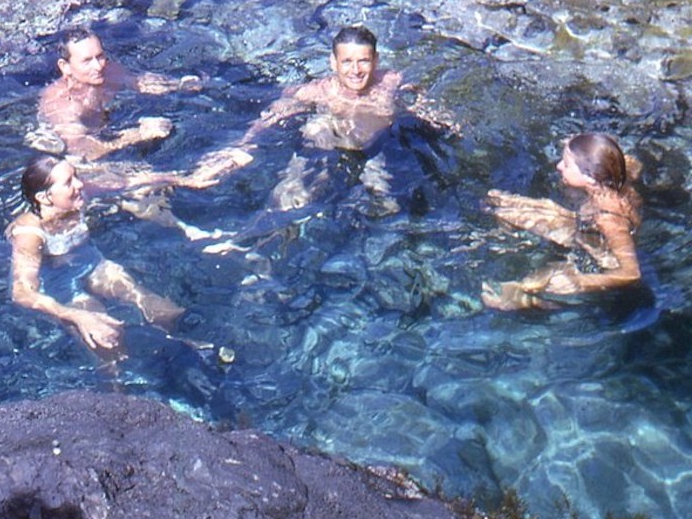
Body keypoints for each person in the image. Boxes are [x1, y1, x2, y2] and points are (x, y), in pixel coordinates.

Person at [196, 25, 453, 214]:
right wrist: (244, 143)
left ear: (376, 60)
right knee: (316, 129)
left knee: (388, 207)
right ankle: (284, 204)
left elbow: (418, 100)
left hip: (377, 147)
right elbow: (273, 115)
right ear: (333, 62)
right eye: (347, 61)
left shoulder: (391, 81)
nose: (355, 70)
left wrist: (440, 119)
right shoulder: (318, 91)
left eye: (363, 61)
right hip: (329, 148)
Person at [36, 28, 242, 239]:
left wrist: (180, 85)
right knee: (137, 181)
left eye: (100, 56)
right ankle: (185, 218)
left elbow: (139, 82)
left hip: (108, 134)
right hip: (75, 163)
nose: (98, 66)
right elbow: (83, 149)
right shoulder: (61, 104)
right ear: (65, 67)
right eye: (87, 61)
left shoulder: (107, 72)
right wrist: (137, 134)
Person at [7, 154, 183, 356]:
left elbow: (126, 183)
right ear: (44, 197)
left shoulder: (78, 198)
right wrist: (75, 315)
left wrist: (182, 179)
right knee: (108, 341)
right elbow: (21, 292)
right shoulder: (29, 234)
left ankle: (180, 348)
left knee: (164, 311)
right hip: (61, 285)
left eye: (76, 175)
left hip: (94, 265)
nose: (80, 184)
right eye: (68, 182)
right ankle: (118, 385)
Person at [482, 132, 643, 311]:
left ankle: (534, 301)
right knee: (495, 202)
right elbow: (628, 161)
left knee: (533, 284)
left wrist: (582, 282)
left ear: (590, 177)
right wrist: (575, 144)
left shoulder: (609, 218)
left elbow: (632, 273)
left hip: (597, 255)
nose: (558, 166)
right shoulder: (615, 171)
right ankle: (512, 244)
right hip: (582, 227)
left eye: (566, 164)